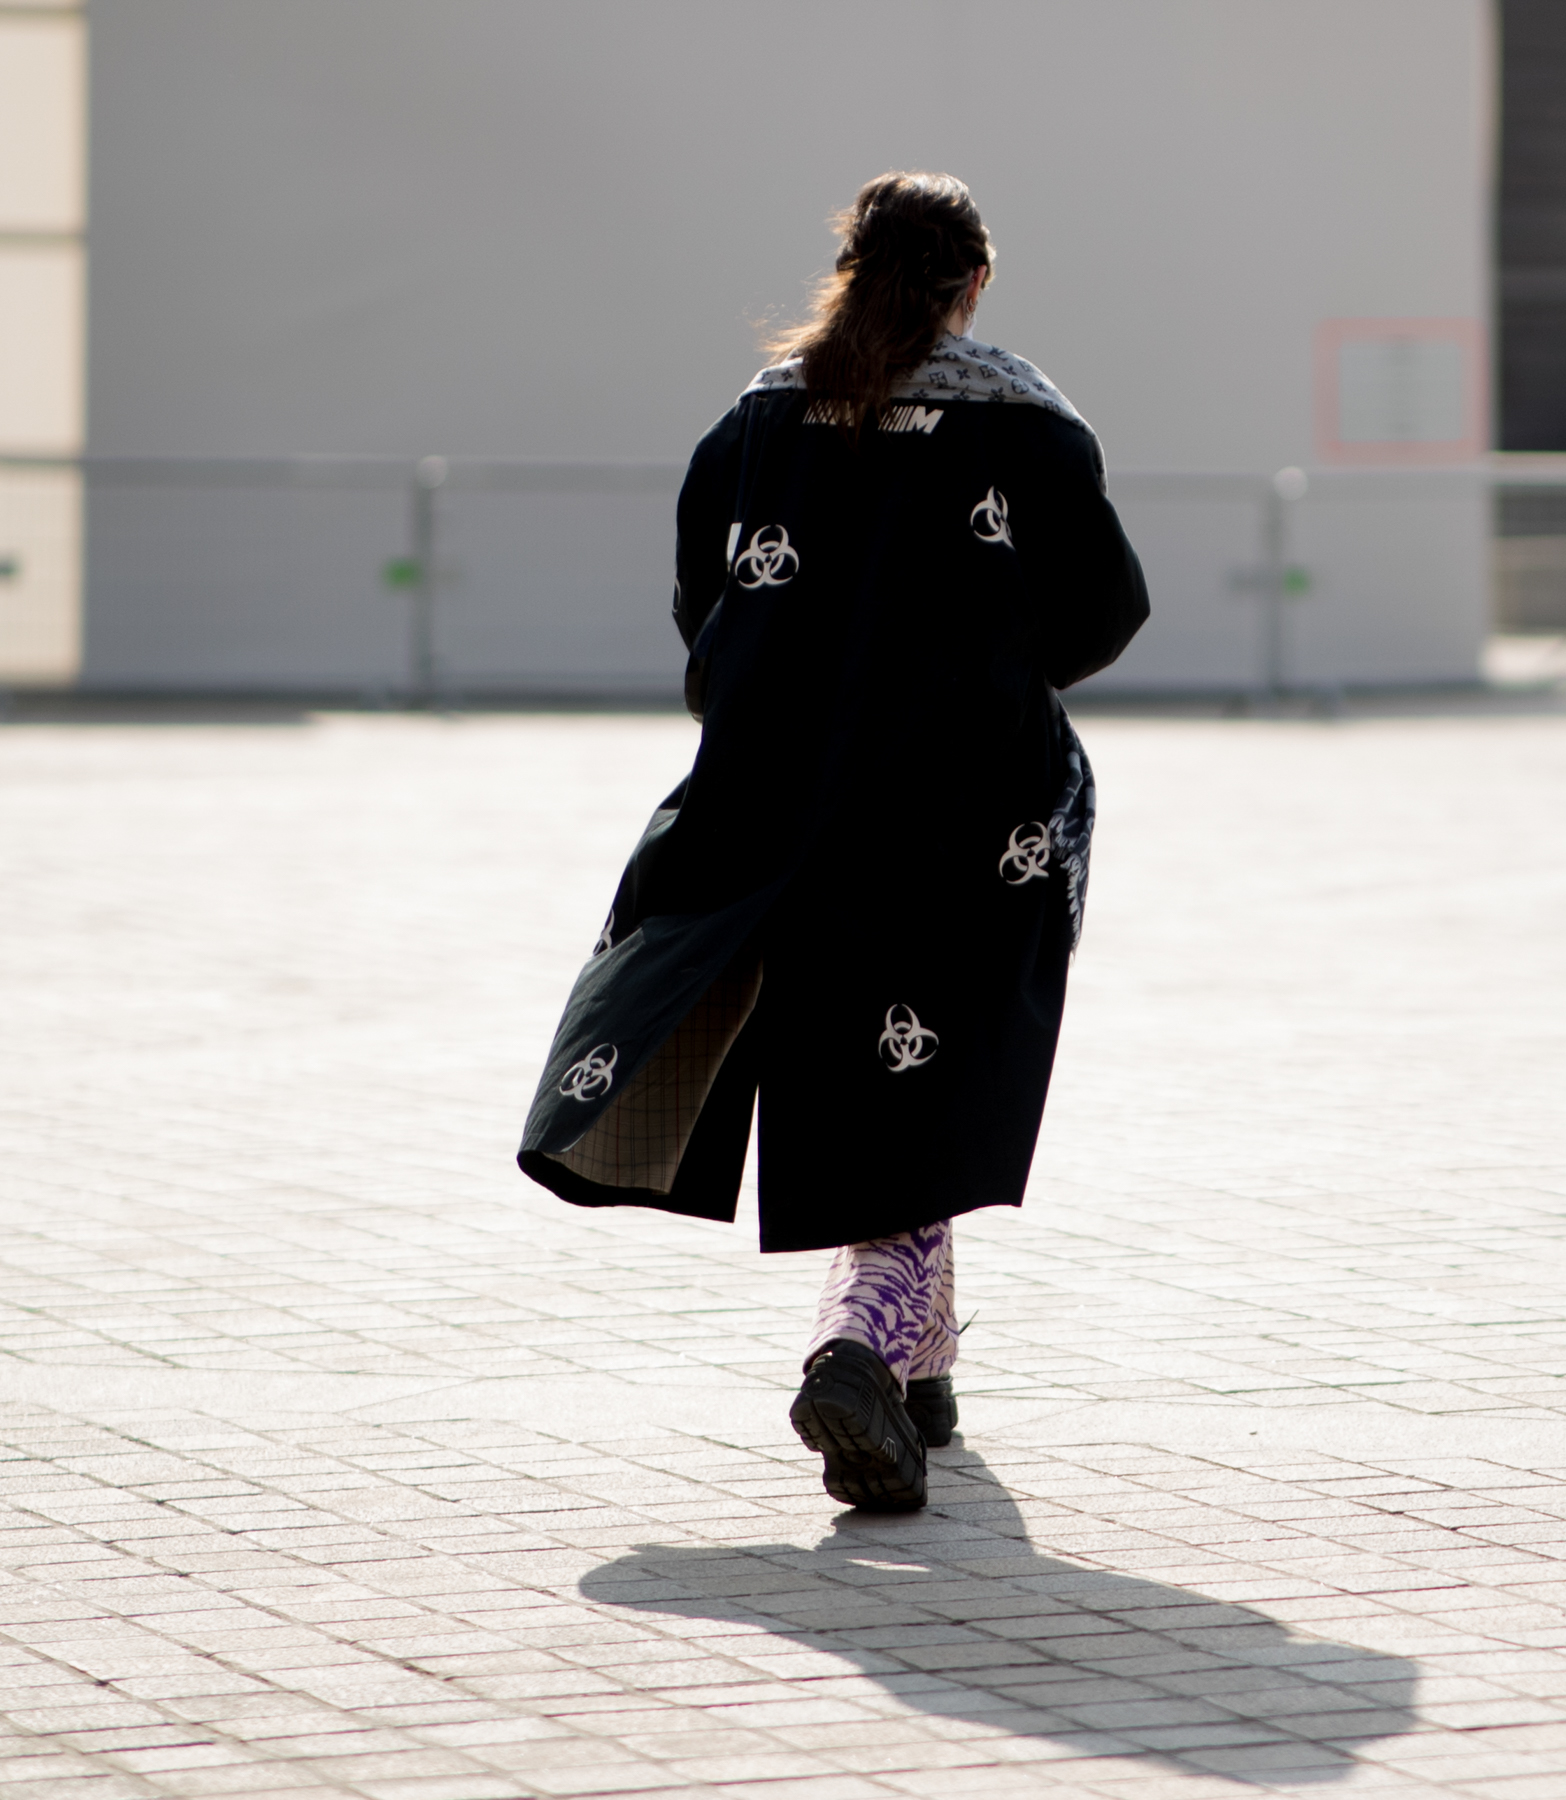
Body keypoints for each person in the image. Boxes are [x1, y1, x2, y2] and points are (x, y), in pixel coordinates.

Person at [515, 173, 1149, 1512]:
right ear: (970, 284)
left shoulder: (755, 419)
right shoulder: (1026, 420)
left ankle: (920, 1377)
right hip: (970, 806)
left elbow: (706, 605)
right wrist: (991, 666)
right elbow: (1104, 608)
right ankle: (858, 1343)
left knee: (870, 1067)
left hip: (783, 798)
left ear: (849, 270)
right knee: (926, 1061)